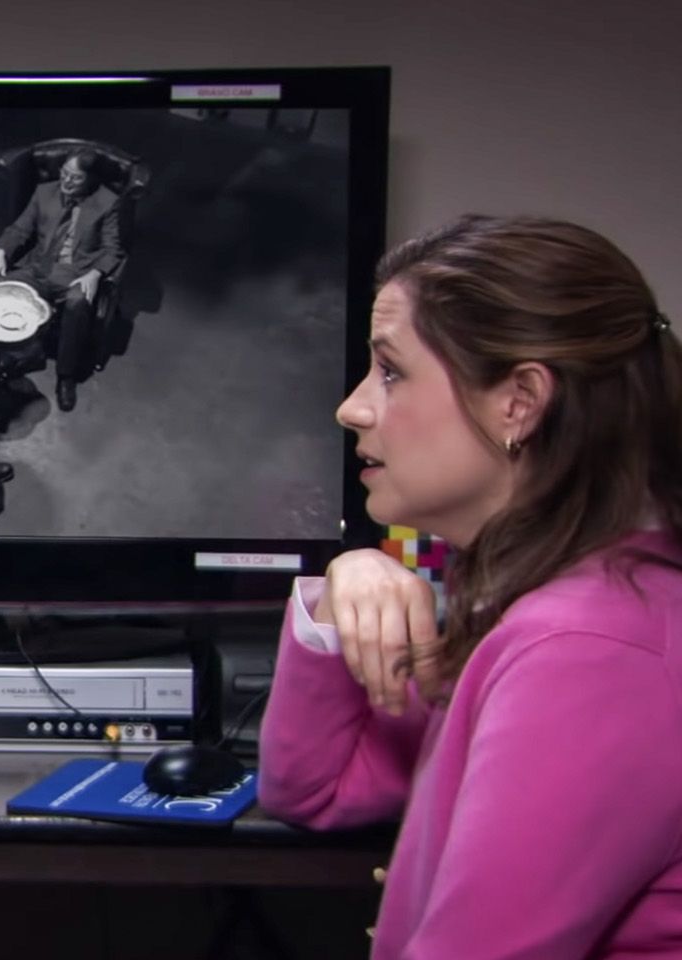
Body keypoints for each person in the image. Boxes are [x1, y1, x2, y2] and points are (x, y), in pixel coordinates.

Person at [258, 214, 682, 958]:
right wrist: (347, 583)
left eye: (390, 371)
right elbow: (315, 791)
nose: (352, 408)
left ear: (519, 401)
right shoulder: (541, 600)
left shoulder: (585, 648)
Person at [0, 149, 122, 412]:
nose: (67, 181)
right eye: (64, 173)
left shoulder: (108, 202)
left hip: (76, 273)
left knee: (77, 302)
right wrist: (1, 251)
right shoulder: (44, 192)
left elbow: (113, 249)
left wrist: (95, 274)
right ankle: (26, 354)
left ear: (91, 179)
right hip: (39, 267)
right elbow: (20, 229)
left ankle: (66, 376)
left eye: (76, 178)